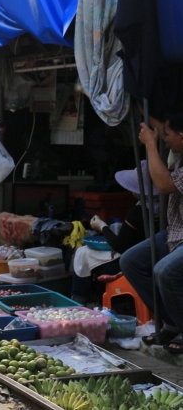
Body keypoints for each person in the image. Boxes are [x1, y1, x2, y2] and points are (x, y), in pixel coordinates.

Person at [121, 114, 183, 353]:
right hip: (175, 233)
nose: (164, 140)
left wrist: (149, 145)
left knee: (164, 271)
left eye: (167, 135)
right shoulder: (178, 152)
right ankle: (173, 321)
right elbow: (158, 124)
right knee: (131, 261)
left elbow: (164, 185)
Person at [70, 162, 157, 303]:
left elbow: (120, 245)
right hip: (148, 259)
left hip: (134, 265)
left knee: (82, 253)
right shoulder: (165, 206)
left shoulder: (138, 212)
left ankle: (78, 300)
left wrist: (102, 226)